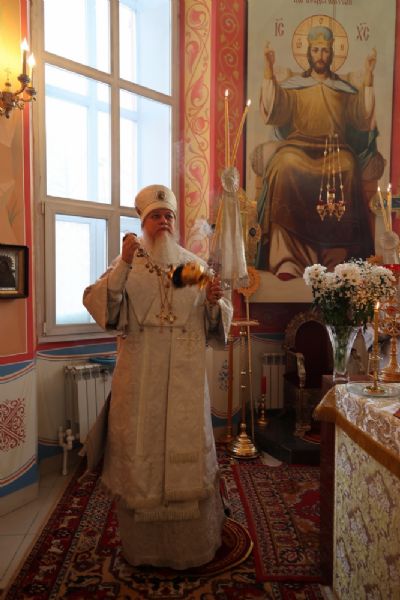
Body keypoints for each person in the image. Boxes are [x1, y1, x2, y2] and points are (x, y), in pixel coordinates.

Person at [82, 184, 233, 569]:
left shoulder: (191, 267)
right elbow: (102, 307)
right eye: (155, 216)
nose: (163, 221)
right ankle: (144, 549)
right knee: (142, 454)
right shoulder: (128, 263)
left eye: (168, 216)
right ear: (143, 222)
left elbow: (214, 317)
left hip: (185, 378)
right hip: (141, 378)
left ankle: (192, 547)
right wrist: (122, 263)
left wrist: (213, 303)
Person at [254, 25, 383, 278]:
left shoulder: (343, 89)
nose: (321, 55)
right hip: (297, 147)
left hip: (335, 150)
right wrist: (269, 70)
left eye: (325, 50)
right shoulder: (294, 87)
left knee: (348, 165)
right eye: (316, 50)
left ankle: (337, 259)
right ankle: (287, 258)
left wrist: (368, 77)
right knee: (283, 165)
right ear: (308, 53)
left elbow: (361, 117)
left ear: (332, 53)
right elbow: (274, 111)